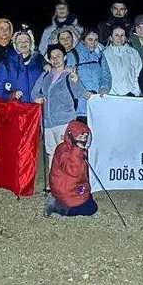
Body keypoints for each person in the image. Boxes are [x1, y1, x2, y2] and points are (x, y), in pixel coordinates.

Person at [32, 45, 84, 192]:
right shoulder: (46, 76)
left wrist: (75, 80)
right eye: (52, 57)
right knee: (51, 153)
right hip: (48, 122)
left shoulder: (69, 74)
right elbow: (34, 93)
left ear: (65, 57)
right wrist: (38, 98)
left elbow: (79, 93)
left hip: (64, 120)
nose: (55, 59)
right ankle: (52, 183)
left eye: (58, 56)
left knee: (66, 153)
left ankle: (69, 184)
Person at [44, 120, 99, 218]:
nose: (84, 139)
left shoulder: (76, 149)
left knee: (89, 199)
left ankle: (60, 201)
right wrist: (77, 150)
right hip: (65, 189)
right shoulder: (63, 150)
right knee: (91, 209)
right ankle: (57, 207)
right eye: (80, 136)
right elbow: (74, 171)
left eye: (85, 136)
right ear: (71, 135)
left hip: (73, 187)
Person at [67, 29, 112, 121]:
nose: (93, 43)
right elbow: (70, 79)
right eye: (90, 40)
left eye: (96, 40)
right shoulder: (73, 55)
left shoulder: (100, 55)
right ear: (83, 40)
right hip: (80, 106)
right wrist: (82, 92)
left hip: (98, 103)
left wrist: (104, 88)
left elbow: (106, 75)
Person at [0, 29, 45, 102]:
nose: (23, 43)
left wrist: (42, 96)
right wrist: (11, 95)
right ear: (15, 44)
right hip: (17, 109)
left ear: (31, 43)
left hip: (36, 109)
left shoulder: (40, 61)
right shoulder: (6, 64)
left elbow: (47, 85)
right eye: (20, 41)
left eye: (26, 41)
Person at [103, 25, 143, 97]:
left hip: (130, 95)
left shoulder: (133, 53)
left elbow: (138, 73)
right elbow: (103, 75)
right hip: (111, 95)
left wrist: (136, 91)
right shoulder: (105, 54)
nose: (120, 38)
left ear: (125, 37)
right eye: (116, 35)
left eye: (122, 35)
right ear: (111, 38)